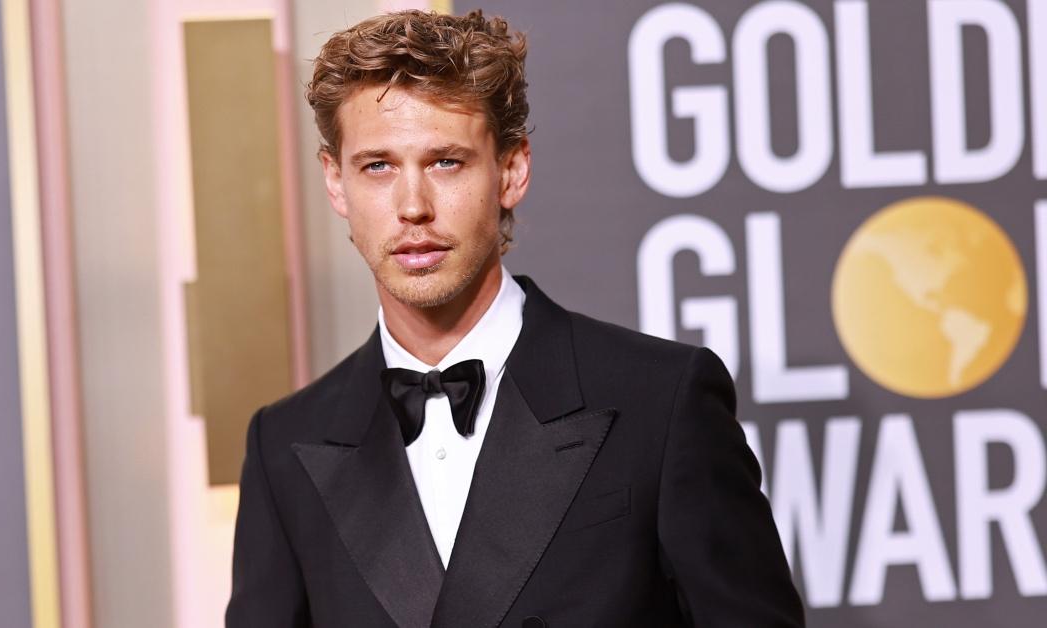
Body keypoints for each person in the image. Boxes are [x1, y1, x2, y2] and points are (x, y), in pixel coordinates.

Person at [227, 9, 803, 628]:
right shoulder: (283, 447)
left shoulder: (660, 400)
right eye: (378, 166)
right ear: (335, 183)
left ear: (511, 169)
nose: (413, 206)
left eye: (446, 162)